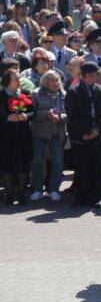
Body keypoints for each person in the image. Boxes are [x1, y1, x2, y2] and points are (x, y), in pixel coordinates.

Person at [65, 62, 101, 207]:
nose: (94, 77)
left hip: (99, 137)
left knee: (97, 168)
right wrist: (87, 131)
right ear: (84, 76)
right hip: (80, 137)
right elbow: (73, 116)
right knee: (81, 167)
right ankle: (81, 197)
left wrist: (97, 129)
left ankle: (94, 197)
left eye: (96, 75)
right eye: (91, 75)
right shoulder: (73, 92)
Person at [30, 70, 67, 201]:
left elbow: (70, 114)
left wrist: (60, 117)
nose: (56, 83)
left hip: (57, 134)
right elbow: (31, 114)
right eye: (52, 80)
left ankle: (54, 189)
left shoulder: (64, 95)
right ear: (45, 82)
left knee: (58, 162)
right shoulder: (35, 94)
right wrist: (45, 114)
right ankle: (37, 189)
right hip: (39, 134)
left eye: (57, 80)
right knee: (38, 162)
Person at [0, 68, 35, 204]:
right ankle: (9, 195)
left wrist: (27, 116)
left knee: (23, 164)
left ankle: (21, 195)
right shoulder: (1, 95)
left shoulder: (25, 93)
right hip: (6, 136)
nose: (19, 81)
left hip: (23, 135)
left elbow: (34, 111)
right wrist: (7, 118)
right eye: (16, 79)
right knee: (7, 164)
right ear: (8, 81)